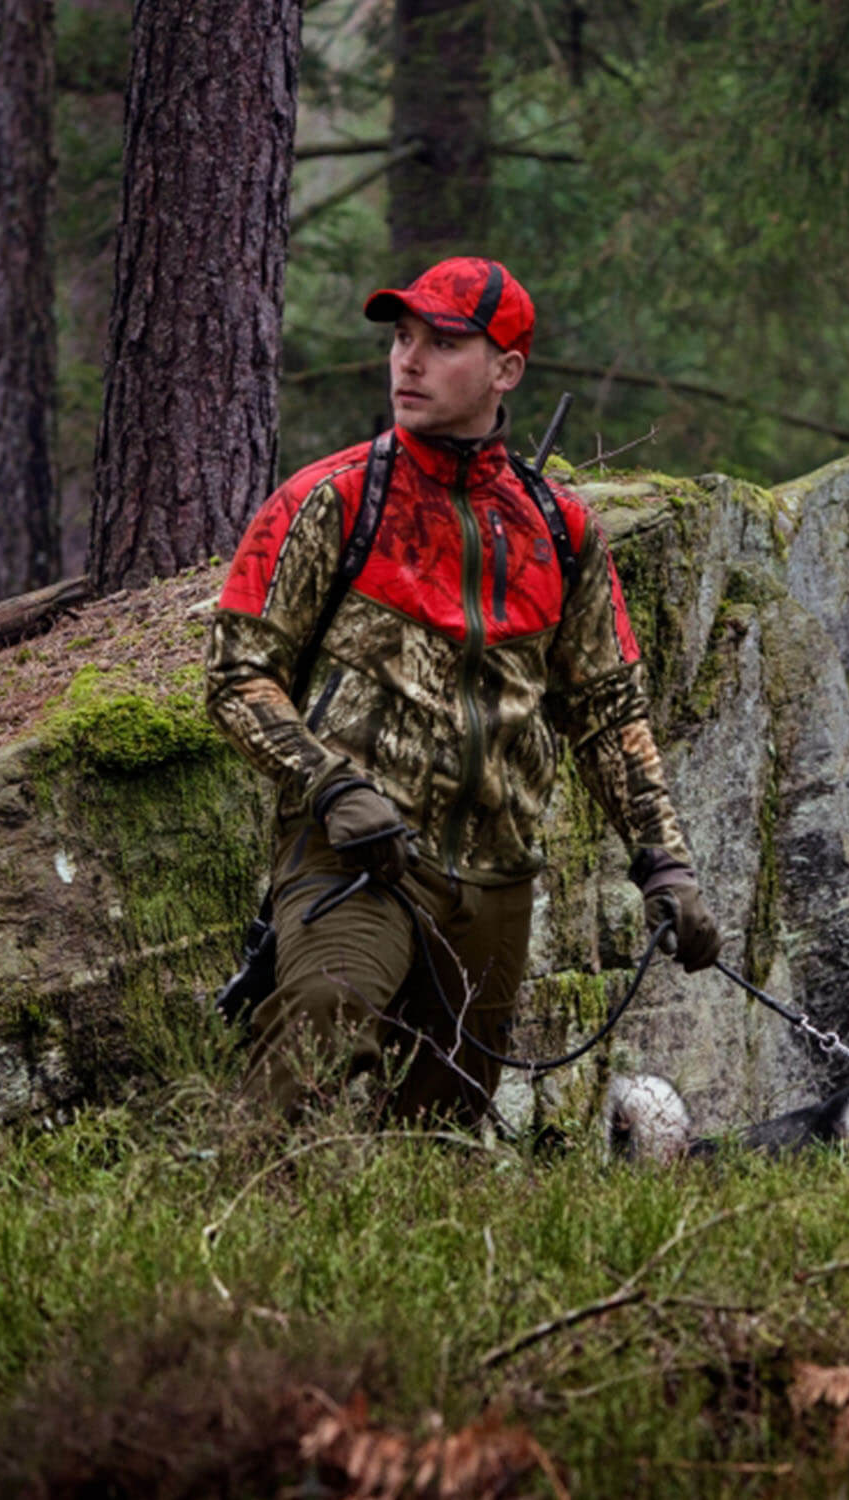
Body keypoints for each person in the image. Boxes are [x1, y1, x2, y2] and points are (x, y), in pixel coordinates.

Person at [205, 255, 721, 1126]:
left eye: (442, 343)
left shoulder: (562, 531)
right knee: (324, 1028)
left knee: (442, 1127)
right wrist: (329, 784)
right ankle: (243, 1253)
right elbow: (236, 677)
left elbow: (609, 714)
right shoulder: (332, 500)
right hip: (352, 857)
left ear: (505, 370)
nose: (408, 360)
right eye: (402, 339)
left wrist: (664, 863)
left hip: (495, 882)